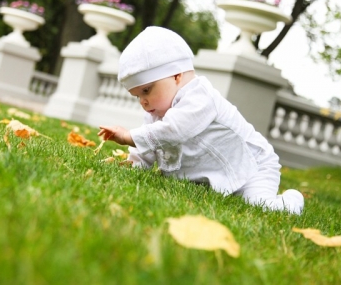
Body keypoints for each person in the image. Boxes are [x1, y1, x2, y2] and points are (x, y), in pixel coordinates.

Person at [98, 26, 304, 215]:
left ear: (176, 76)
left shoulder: (200, 97)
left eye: (146, 90)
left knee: (260, 207)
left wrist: (128, 136)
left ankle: (292, 202)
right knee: (226, 199)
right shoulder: (156, 111)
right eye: (137, 96)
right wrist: (134, 164)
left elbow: (173, 130)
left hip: (253, 166)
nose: (143, 101)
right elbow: (150, 146)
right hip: (218, 172)